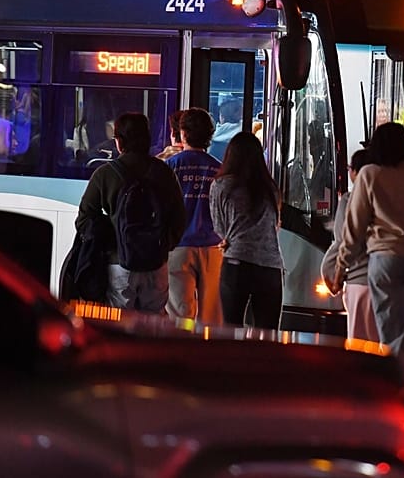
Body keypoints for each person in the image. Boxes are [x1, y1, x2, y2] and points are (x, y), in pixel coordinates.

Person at [334, 122, 404, 379]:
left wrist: (341, 266)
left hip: (385, 260)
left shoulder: (370, 174)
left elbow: (354, 228)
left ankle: (401, 388)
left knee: (392, 331)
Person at [75, 112, 186, 312]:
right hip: (156, 263)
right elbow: (179, 217)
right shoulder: (164, 172)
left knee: (120, 327)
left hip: (119, 264)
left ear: (120, 141)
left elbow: (84, 219)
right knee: (152, 329)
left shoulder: (105, 174)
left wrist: (111, 239)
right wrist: (164, 244)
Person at [209, 131, 284, 328]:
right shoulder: (271, 188)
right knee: (267, 333)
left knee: (231, 328)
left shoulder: (221, 185)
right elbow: (275, 226)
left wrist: (229, 237)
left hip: (236, 263)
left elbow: (219, 226)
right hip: (270, 266)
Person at [165, 108, 224, 325]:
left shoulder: (170, 166)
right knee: (211, 314)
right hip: (213, 248)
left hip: (178, 246)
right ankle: (208, 354)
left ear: (183, 133)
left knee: (179, 312)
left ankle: (181, 352)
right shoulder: (219, 169)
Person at [321, 148, 377, 341]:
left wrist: (330, 273)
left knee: (359, 345)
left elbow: (343, 240)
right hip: (389, 281)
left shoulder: (349, 199)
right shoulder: (391, 199)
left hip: (359, 282)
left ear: (353, 171)